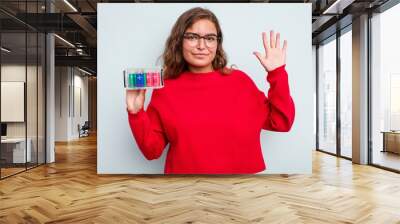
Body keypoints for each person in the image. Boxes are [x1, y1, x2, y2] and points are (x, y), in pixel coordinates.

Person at [126, 7, 295, 174]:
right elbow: (152, 151)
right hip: (185, 191)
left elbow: (281, 122)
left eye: (210, 38)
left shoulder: (240, 82)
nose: (201, 45)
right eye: (192, 37)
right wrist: (136, 113)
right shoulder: (165, 89)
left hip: (241, 191)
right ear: (179, 41)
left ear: (217, 43)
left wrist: (277, 73)